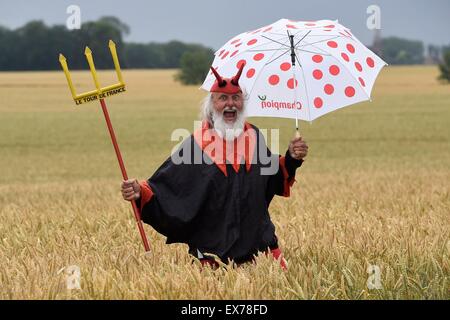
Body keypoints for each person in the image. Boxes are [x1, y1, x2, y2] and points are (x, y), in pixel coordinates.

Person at [121, 63, 308, 269]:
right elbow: (167, 187)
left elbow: (272, 176)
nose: (230, 104)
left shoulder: (254, 136)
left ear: (243, 103)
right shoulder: (195, 145)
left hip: (261, 253)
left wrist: (292, 157)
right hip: (212, 258)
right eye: (223, 98)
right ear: (212, 104)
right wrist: (140, 192)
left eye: (236, 98)